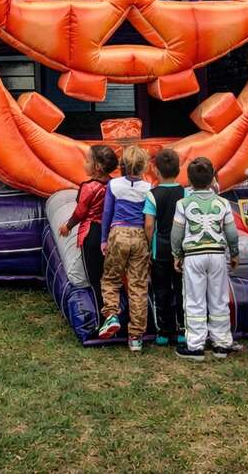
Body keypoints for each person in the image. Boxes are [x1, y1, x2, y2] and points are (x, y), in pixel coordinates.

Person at [170, 156, 238, 361]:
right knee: (219, 298)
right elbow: (232, 232)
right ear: (212, 179)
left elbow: (176, 233)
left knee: (194, 299)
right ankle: (222, 343)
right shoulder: (223, 203)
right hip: (217, 255)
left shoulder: (183, 203)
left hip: (193, 256)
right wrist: (234, 253)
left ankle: (195, 345)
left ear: (188, 180)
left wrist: (176, 254)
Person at [97, 145, 153, 351]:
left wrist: (104, 240)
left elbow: (107, 214)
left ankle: (111, 315)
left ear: (122, 165)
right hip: (139, 236)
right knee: (138, 285)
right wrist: (150, 243)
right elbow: (149, 219)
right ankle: (136, 337)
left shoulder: (113, 185)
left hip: (118, 234)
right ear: (144, 167)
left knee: (111, 278)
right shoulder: (148, 189)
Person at [58, 144, 117, 312]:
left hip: (92, 233)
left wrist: (67, 226)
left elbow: (80, 212)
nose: (84, 164)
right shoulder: (114, 185)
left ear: (97, 167)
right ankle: (115, 310)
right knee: (110, 275)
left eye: (87, 160)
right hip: (110, 233)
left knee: (95, 278)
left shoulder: (89, 187)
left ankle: (102, 313)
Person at [143, 148, 186, 348]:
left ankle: (163, 331)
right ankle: (182, 331)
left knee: (161, 290)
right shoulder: (185, 193)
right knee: (180, 289)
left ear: (156, 171)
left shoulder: (152, 195)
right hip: (181, 250)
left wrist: (150, 245)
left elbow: (149, 225)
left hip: (159, 250)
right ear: (179, 169)